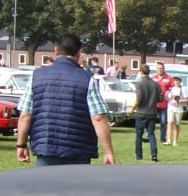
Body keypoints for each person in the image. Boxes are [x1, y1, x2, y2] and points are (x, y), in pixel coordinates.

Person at [16, 33, 115, 166]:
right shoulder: (87, 79)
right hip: (78, 151)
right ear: (79, 53)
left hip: (46, 149)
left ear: (55, 50)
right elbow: (98, 117)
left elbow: (25, 115)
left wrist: (21, 145)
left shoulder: (36, 76)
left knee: (44, 187)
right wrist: (108, 151)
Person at [132, 68, 161, 161]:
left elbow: (139, 98)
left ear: (141, 72)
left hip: (141, 112)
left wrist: (132, 108)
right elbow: (160, 99)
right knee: (151, 134)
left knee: (139, 135)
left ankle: (139, 155)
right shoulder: (155, 84)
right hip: (152, 112)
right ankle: (154, 154)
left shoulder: (139, 84)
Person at [152, 61, 175, 143]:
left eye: (161, 68)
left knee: (163, 122)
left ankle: (162, 138)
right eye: (158, 68)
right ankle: (150, 137)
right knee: (152, 121)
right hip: (154, 104)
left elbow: (173, 89)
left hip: (164, 104)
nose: (160, 70)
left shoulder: (169, 78)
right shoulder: (153, 78)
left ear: (164, 69)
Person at [165, 76, 184, 146]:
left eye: (177, 80)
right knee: (170, 122)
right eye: (175, 80)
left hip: (179, 109)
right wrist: (166, 95)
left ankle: (175, 141)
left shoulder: (182, 89)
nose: (176, 82)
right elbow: (167, 98)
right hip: (171, 108)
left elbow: (186, 100)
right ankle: (168, 139)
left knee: (176, 125)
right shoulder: (171, 89)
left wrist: (179, 101)